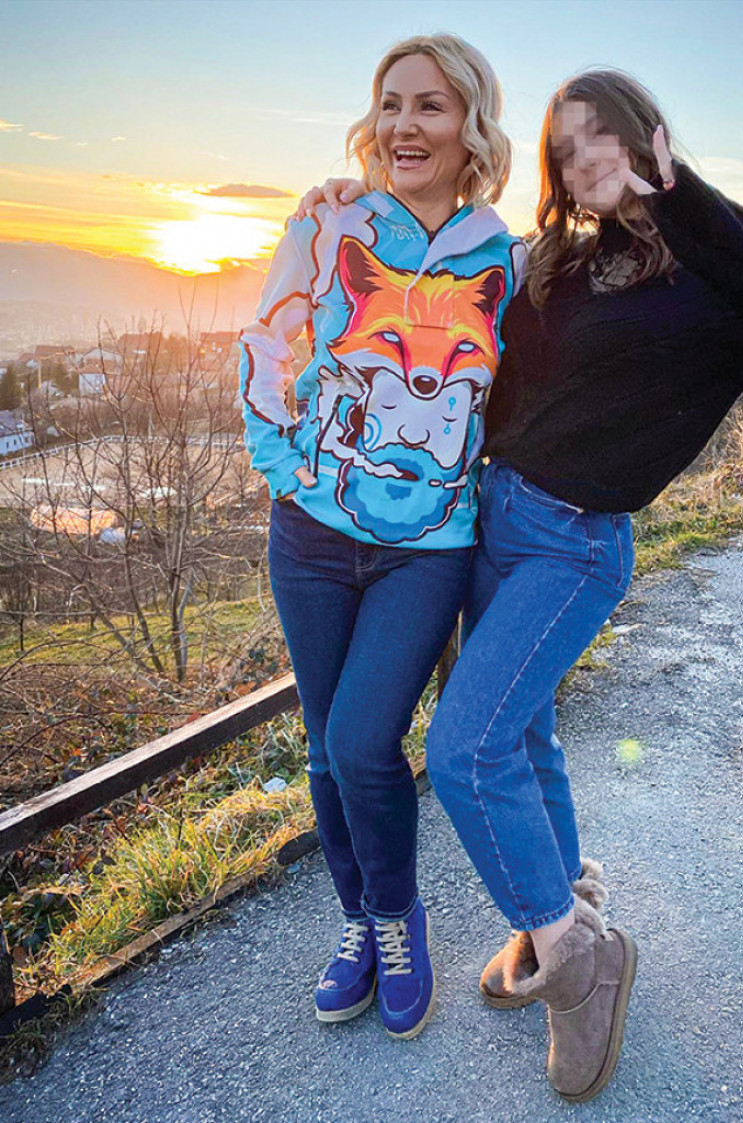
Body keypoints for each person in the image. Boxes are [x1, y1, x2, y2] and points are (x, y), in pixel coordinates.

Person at [295, 67, 743, 1095]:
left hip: (575, 545)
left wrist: (682, 198)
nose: (582, 157)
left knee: (464, 746)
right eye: (565, 146)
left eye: (603, 135)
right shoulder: (566, 260)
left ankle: (576, 964)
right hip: (493, 519)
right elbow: (450, 328)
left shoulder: (719, 279)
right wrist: (355, 210)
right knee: (523, 735)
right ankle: (557, 904)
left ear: (649, 139)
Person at [239, 33, 521, 1040]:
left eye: (430, 105)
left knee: (364, 742)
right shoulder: (329, 222)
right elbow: (267, 338)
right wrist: (283, 466)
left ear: (471, 126)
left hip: (429, 546)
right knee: (325, 750)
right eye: (391, 103)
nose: (405, 124)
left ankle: (399, 921)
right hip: (309, 536)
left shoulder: (505, 258)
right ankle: (357, 921)